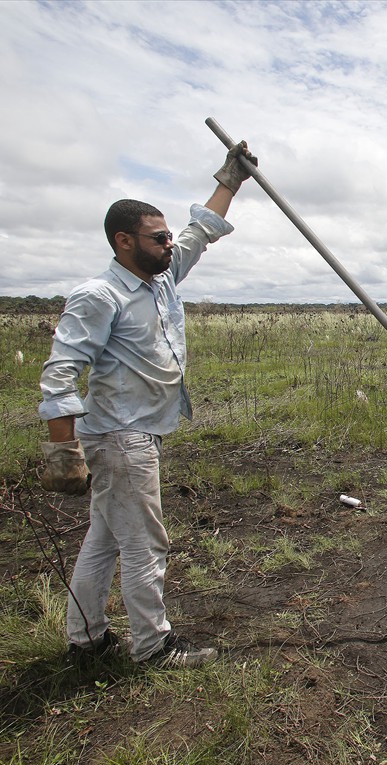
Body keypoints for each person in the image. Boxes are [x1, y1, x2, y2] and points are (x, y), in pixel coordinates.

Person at [38, 140, 257, 668]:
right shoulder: (100, 295)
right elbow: (61, 370)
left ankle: (86, 639)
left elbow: (199, 231)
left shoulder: (158, 280)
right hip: (119, 435)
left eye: (166, 237)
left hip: (139, 430)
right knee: (144, 543)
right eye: (158, 238)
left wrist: (230, 181)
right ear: (123, 241)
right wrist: (63, 450)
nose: (168, 244)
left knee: (105, 539)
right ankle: (154, 646)